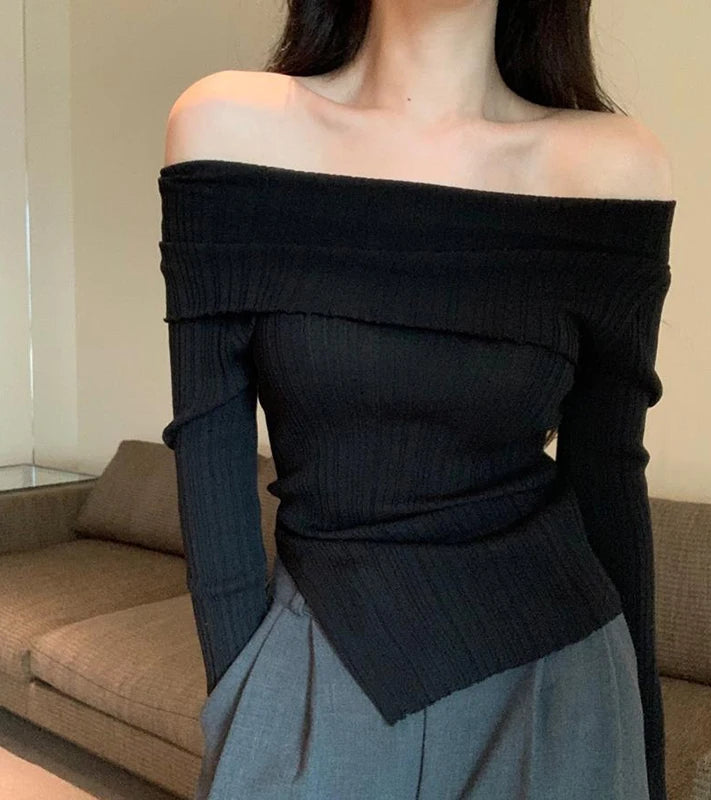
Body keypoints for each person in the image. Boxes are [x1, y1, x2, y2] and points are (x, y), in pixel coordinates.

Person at [159, 2, 676, 798]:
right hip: (324, 657)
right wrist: (241, 702)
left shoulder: (613, 167)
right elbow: (207, 451)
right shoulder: (228, 128)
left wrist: (641, 760)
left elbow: (608, 474)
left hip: (559, 681)